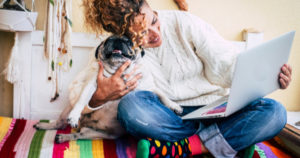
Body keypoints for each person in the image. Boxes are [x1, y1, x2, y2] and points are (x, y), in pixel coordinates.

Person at [83, 0, 292, 157]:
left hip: (217, 109)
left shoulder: (185, 23)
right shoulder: (112, 51)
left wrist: (268, 76)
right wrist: (99, 97)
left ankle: (185, 148)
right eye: (142, 33)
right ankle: (223, 140)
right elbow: (84, 115)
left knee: (275, 113)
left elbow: (227, 64)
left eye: (154, 20)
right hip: (171, 118)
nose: (155, 33)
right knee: (130, 108)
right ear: (123, 36)